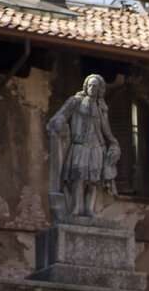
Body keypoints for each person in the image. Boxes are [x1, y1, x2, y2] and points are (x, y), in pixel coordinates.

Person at [46, 74, 120, 218]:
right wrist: (60, 121)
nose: (92, 88)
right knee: (78, 178)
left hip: (97, 147)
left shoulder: (101, 108)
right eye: (90, 85)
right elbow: (61, 115)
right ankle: (76, 209)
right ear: (86, 87)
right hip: (79, 146)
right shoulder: (75, 101)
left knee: (94, 181)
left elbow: (106, 130)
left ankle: (89, 210)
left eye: (95, 86)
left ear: (100, 90)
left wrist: (113, 145)